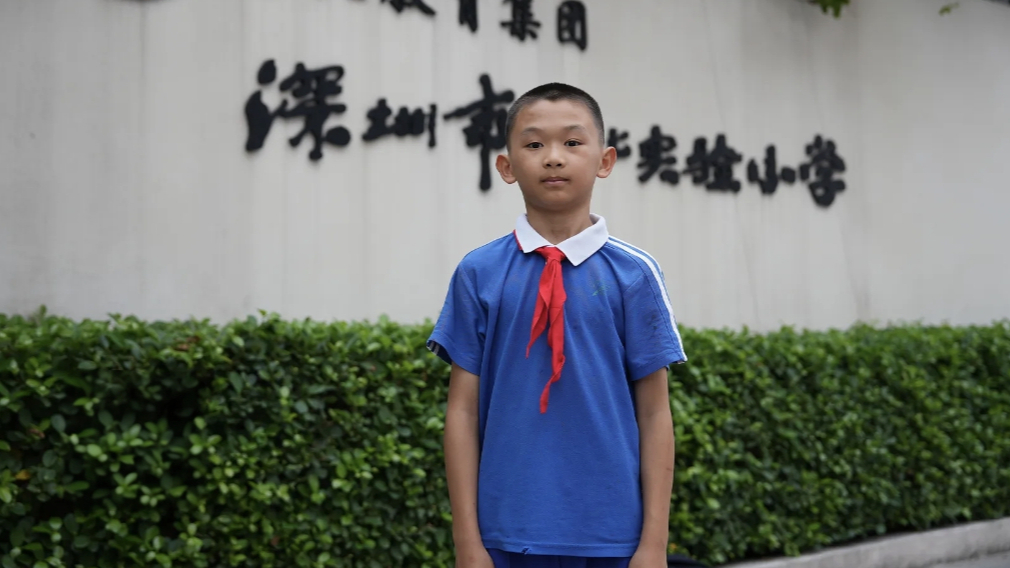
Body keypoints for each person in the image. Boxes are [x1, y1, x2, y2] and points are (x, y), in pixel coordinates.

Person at [428, 82, 687, 568]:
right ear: (506, 167)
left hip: (614, 537)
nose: (553, 157)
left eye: (572, 142)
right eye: (533, 144)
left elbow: (655, 413)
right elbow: (462, 412)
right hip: (506, 534)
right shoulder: (479, 272)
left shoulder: (634, 274)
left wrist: (653, 545)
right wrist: (468, 542)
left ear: (605, 161)